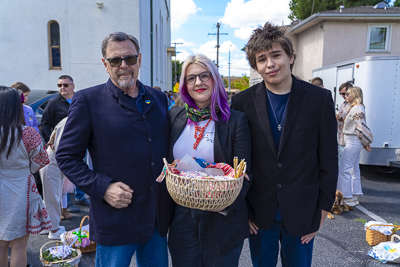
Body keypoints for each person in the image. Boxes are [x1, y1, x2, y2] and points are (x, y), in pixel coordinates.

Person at [56, 31, 174, 267]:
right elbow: (67, 156)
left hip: (155, 216)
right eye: (115, 60)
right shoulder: (87, 100)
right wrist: (104, 187)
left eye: (129, 59)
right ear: (105, 64)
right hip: (116, 215)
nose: (123, 66)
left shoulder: (158, 98)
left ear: (139, 60)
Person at [231, 22, 338, 267]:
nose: (270, 64)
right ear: (256, 67)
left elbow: (329, 159)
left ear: (291, 57)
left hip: (303, 213)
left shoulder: (319, 99)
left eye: (276, 55)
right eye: (261, 59)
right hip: (259, 214)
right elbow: (236, 160)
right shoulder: (242, 102)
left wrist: (323, 209)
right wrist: (242, 209)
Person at [167, 54, 252, 267]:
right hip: (183, 216)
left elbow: (244, 173)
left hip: (222, 218)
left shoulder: (235, 121)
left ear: (215, 79)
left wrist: (224, 204)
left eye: (204, 75)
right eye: (191, 78)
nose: (198, 82)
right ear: (185, 85)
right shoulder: (175, 117)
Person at [0, 86, 51, 267]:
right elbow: (42, 160)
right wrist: (25, 168)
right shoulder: (28, 133)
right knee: (19, 246)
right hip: (22, 189)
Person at [40, 75, 88, 213]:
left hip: (80, 143)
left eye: (65, 85)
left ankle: (79, 196)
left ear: (73, 86)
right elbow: (45, 123)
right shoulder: (54, 102)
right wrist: (51, 142)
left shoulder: (80, 100)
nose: (62, 88)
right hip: (62, 147)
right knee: (62, 177)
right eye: (59, 85)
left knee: (80, 169)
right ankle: (65, 206)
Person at [337, 86, 371, 206]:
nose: (346, 96)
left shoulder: (357, 109)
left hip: (352, 140)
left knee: (344, 169)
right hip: (355, 141)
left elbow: (361, 127)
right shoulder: (359, 107)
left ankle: (346, 197)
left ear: (355, 95)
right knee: (353, 169)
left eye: (348, 94)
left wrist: (366, 142)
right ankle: (354, 196)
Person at [336, 82, 353, 163]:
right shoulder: (343, 104)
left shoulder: (353, 105)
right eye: (340, 94)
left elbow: (353, 121)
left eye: (344, 93)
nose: (342, 96)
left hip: (347, 140)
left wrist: (340, 118)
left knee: (345, 164)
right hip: (340, 138)